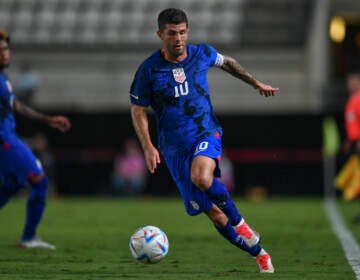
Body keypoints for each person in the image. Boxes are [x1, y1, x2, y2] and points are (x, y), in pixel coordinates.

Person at [130, 8, 278, 273]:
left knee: (202, 177)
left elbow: (228, 63)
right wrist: (148, 145)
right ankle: (259, 253)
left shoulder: (201, 54)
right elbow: (137, 109)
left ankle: (241, 223)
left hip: (205, 131)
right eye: (172, 33)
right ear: (160, 34)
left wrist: (255, 83)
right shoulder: (149, 70)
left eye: (183, 32)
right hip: (173, 148)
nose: (179, 38)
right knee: (215, 214)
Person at [0, 30, 71, 249]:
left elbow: (15, 105)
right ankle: (29, 237)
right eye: (0, 50)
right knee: (39, 181)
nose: (5, 54)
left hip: (8, 136)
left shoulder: (3, 77)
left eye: (5, 49)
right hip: (4, 140)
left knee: (13, 183)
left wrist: (46, 119)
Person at [342, 72, 360, 222]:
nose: (351, 84)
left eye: (354, 82)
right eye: (350, 82)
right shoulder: (353, 100)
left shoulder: (358, 99)